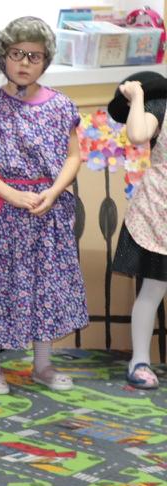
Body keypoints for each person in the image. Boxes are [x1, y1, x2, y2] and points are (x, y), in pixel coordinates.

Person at [0, 16, 88, 394]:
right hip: (3, 213)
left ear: (45, 61)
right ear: (4, 56)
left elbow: (74, 156)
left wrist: (54, 192)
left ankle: (43, 364)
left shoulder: (62, 106)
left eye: (34, 56)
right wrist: (11, 194)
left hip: (45, 211)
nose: (24, 63)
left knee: (45, 287)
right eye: (17, 54)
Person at [108, 71, 167, 389]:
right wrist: (138, 96)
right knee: (153, 290)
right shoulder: (161, 106)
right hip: (159, 212)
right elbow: (137, 134)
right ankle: (140, 360)